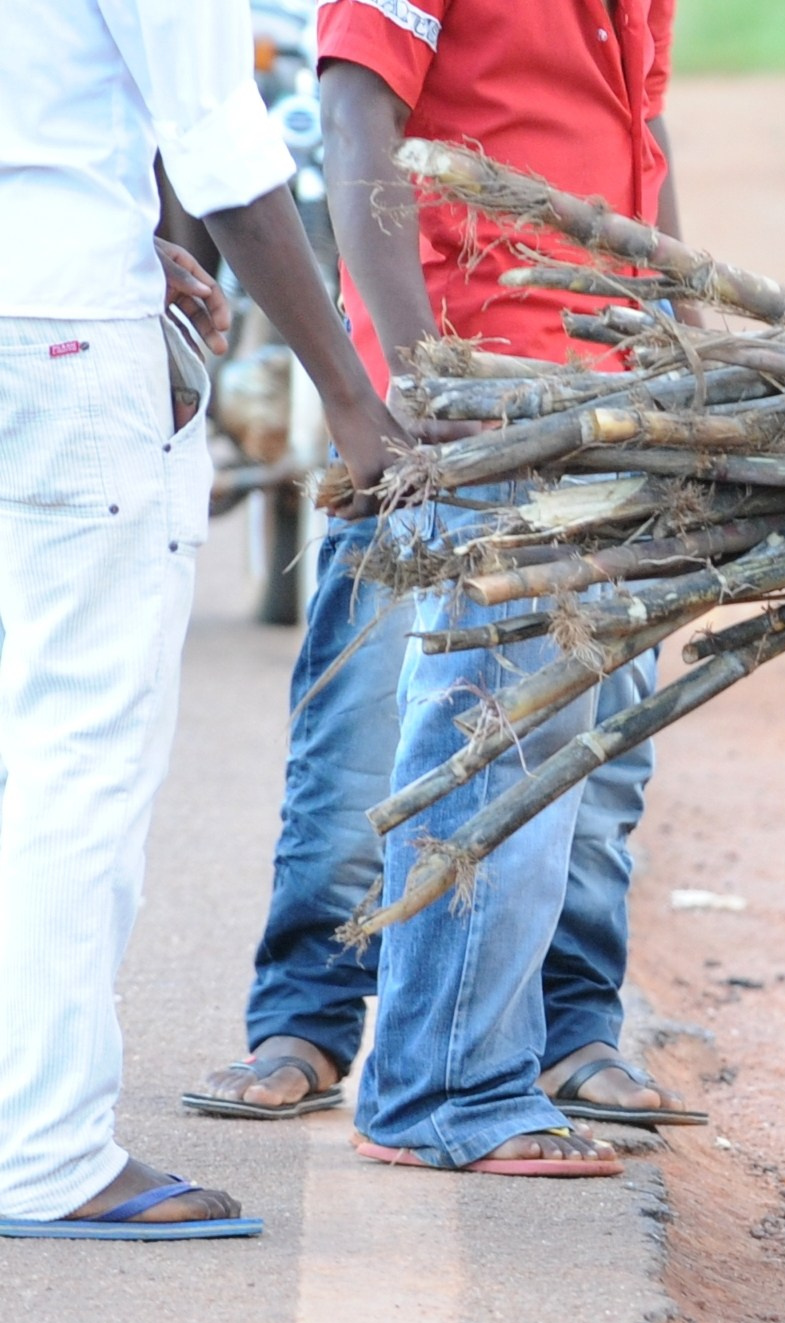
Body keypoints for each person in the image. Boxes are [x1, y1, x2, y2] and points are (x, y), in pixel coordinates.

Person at [214, 0, 701, 1175]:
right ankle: (348, 1031)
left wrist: (682, 334)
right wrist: (418, 368)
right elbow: (352, 108)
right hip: (474, 390)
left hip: (607, 391)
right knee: (426, 733)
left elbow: (641, 135)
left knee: (594, 746)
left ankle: (563, 1029)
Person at [0, 0, 402, 1237]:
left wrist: (145, 240)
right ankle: (48, 1153)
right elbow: (217, 131)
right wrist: (348, 389)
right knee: (78, 742)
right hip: (57, 328)